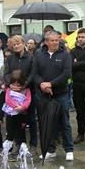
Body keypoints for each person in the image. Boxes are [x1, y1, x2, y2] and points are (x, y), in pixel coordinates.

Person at [32, 30, 74, 161]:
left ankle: (69, 149)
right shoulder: (39, 54)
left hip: (60, 94)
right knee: (47, 123)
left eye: (57, 40)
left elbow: (66, 73)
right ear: (46, 42)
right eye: (52, 40)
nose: (55, 42)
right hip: (44, 95)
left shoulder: (65, 54)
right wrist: (42, 85)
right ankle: (50, 150)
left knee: (64, 122)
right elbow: (35, 73)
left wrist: (50, 84)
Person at [3, 35, 37, 155]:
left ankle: (33, 144)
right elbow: (6, 73)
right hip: (13, 93)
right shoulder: (10, 58)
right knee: (17, 120)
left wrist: (24, 85)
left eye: (18, 43)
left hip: (28, 92)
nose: (16, 46)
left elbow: (33, 73)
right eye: (14, 44)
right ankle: (20, 143)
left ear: (23, 44)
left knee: (31, 119)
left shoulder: (31, 57)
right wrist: (10, 85)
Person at [3, 70, 31, 160]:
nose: (16, 86)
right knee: (10, 131)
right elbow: (8, 99)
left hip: (21, 115)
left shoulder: (26, 90)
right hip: (11, 114)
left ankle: (21, 149)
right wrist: (15, 106)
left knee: (20, 132)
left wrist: (22, 107)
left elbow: (28, 100)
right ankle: (9, 149)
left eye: (18, 84)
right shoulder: (8, 90)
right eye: (14, 84)